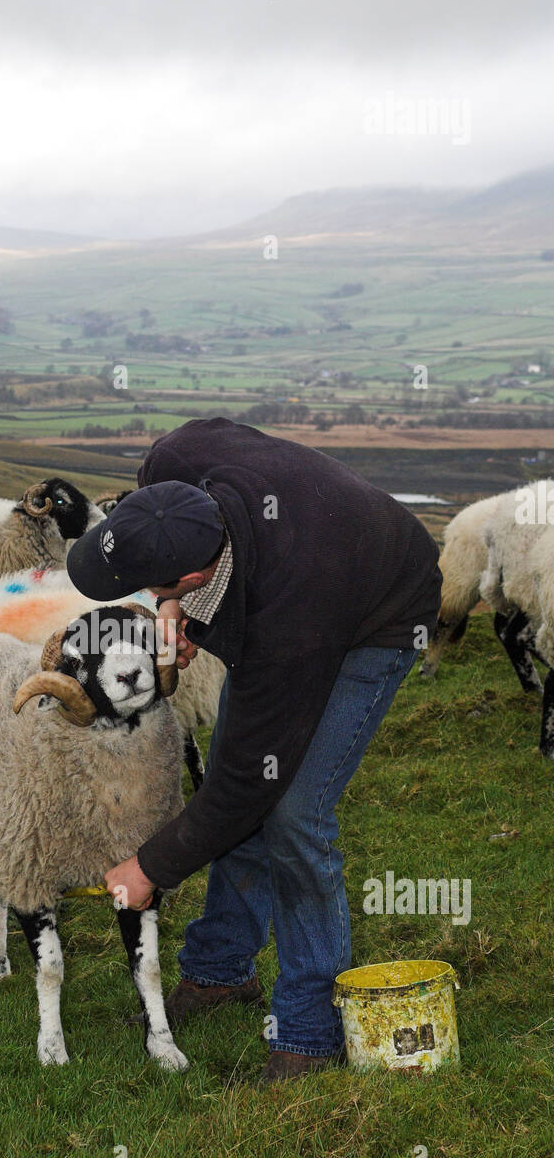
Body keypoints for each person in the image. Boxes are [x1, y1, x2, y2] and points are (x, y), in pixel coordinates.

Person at [67, 418, 441, 1079]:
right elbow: (185, 473)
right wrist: (175, 611)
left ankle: (307, 1036)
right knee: (242, 784)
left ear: (183, 571)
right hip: (290, 573)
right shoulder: (175, 464)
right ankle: (218, 975)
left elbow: (245, 785)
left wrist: (149, 868)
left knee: (292, 812)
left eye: (153, 585)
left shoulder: (290, 618)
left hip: (380, 609)